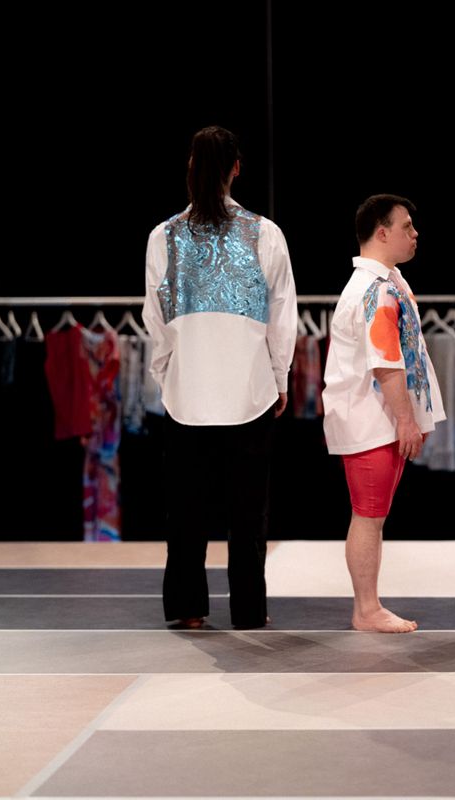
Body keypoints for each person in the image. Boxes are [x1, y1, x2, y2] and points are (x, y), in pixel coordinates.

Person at [143, 126, 298, 630]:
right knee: (248, 513)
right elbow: (283, 315)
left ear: (191, 166)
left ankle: (188, 608)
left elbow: (156, 320)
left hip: (187, 392)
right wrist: (280, 377)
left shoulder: (164, 236)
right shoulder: (265, 233)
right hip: (249, 391)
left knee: (185, 511)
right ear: (236, 168)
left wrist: (167, 373)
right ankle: (249, 612)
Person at [322, 194, 445, 633]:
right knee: (368, 514)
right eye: (406, 226)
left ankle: (368, 606)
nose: (415, 233)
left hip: (377, 418)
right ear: (382, 232)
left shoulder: (389, 280)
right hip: (368, 419)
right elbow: (385, 362)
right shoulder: (374, 289)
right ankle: (366, 609)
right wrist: (407, 420)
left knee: (373, 515)